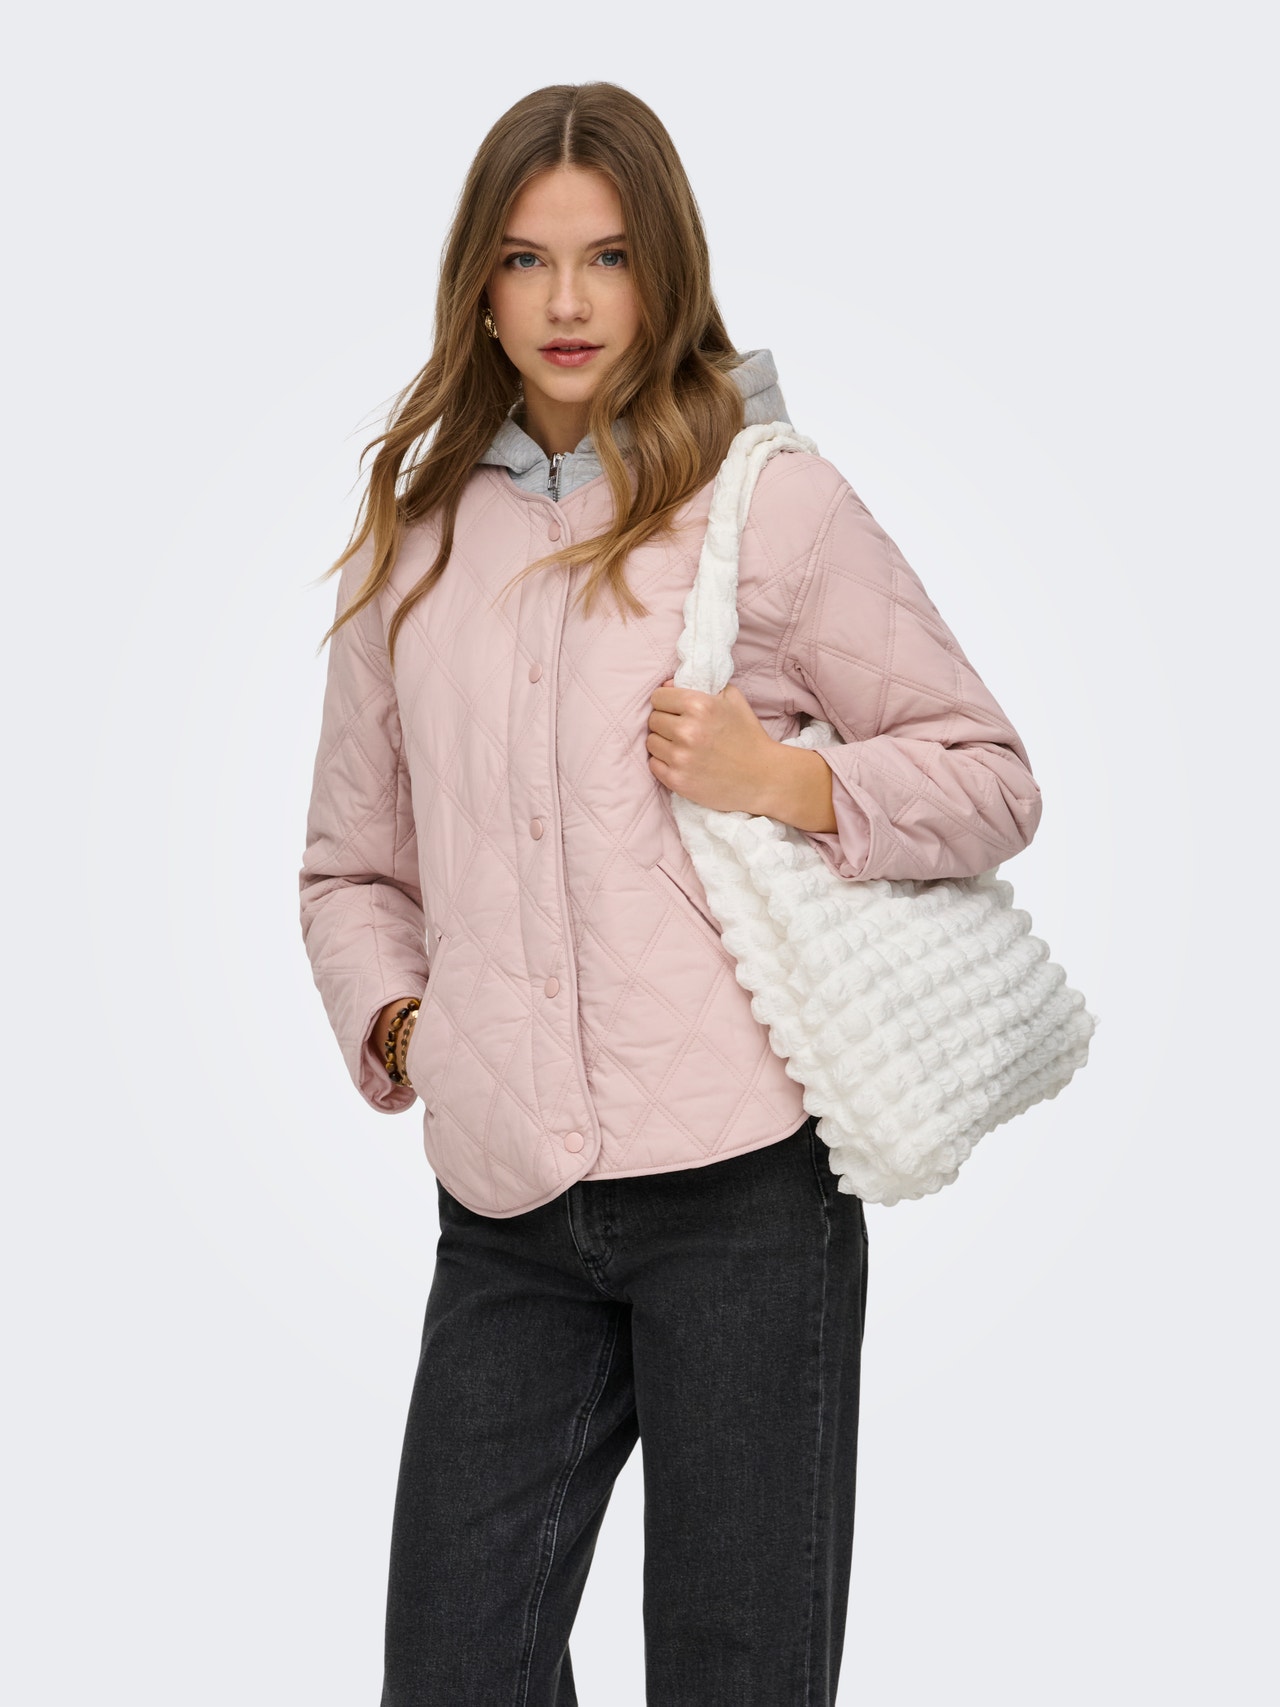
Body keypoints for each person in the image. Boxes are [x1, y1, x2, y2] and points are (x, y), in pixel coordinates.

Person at [298, 80, 1042, 1707]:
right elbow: (352, 866)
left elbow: (993, 778)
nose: (568, 301)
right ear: (480, 290)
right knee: (453, 1672)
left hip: (746, 1204)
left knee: (739, 1679)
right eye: (527, 260)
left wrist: (787, 779)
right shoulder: (413, 544)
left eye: (610, 256)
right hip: (505, 1215)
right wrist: (416, 1030)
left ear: (667, 272)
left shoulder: (770, 504)